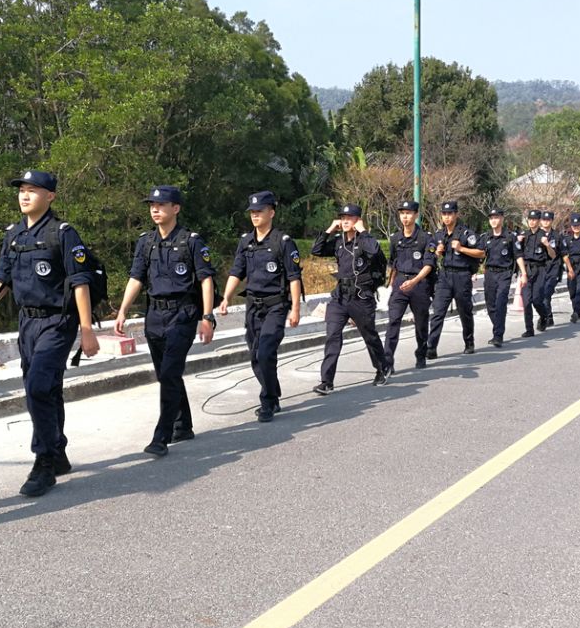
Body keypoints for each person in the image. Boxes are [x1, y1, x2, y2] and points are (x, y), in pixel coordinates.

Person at [0, 169, 99, 496]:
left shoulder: (63, 233)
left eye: (33, 190)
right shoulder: (13, 235)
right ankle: (58, 450)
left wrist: (87, 329)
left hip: (57, 321)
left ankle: (44, 461)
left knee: (37, 386)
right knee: (45, 389)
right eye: (21, 189)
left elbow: (80, 282)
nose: (24, 195)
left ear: (50, 196)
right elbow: (1, 280)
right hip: (27, 323)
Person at [114, 186, 216, 456]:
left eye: (161, 204)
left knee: (170, 373)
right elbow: (136, 278)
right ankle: (184, 426)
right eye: (152, 205)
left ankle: (162, 435)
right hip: (155, 316)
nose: (155, 209)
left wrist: (207, 316)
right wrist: (123, 309)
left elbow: (206, 279)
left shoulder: (191, 241)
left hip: (182, 314)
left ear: (176, 208)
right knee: (165, 375)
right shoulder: (146, 242)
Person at [218, 191, 302, 422]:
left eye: (260, 211)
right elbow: (237, 272)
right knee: (256, 355)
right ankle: (273, 394)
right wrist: (226, 297)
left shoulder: (283, 242)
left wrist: (295, 309)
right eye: (252, 212)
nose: (255, 215)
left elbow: (294, 278)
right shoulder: (246, 242)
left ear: (271, 213)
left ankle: (267, 401)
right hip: (252, 306)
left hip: (276, 305)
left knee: (265, 351)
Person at [310, 204, 388, 395]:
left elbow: (375, 251)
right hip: (340, 297)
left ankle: (382, 367)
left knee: (369, 334)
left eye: (349, 218)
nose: (345, 221)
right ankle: (326, 381)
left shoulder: (364, 241)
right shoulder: (339, 242)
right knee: (332, 335)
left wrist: (363, 230)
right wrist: (329, 229)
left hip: (361, 296)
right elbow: (316, 250)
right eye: (342, 218)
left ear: (357, 220)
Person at [383, 200, 437, 370]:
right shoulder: (395, 238)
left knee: (421, 323)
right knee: (393, 321)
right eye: (402, 213)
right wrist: (390, 284)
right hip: (400, 283)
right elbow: (392, 262)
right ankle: (387, 361)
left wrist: (414, 281)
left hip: (419, 284)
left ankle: (421, 354)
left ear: (415, 215)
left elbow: (429, 264)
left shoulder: (426, 238)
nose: (405, 217)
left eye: (408, 213)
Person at [426, 200, 480, 357]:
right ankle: (431, 347)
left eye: (450, 214)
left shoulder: (466, 234)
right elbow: (431, 253)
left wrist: (461, 248)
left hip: (462, 275)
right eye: (444, 214)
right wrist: (437, 252)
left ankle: (469, 342)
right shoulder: (439, 234)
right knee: (438, 311)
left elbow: (481, 253)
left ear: (456, 214)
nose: (447, 217)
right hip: (444, 276)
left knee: (465, 311)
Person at [476, 208, 524, 347]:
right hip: (490, 273)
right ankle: (497, 327)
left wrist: (524, 273)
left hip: (504, 273)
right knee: (490, 305)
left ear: (502, 219)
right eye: (491, 218)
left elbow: (518, 255)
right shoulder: (485, 237)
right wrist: (474, 271)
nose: (493, 220)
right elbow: (480, 255)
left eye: (496, 217)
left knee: (500, 303)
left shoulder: (510, 236)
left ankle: (498, 335)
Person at [518, 209, 555, 337]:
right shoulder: (524, 235)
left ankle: (544, 316)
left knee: (537, 300)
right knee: (527, 301)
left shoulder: (544, 236)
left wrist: (547, 245)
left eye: (534, 219)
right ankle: (529, 329)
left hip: (540, 270)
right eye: (530, 219)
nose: (532, 221)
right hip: (527, 270)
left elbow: (553, 255)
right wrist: (518, 242)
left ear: (539, 221)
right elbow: (517, 254)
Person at [539, 211, 562, 329]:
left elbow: (562, 254)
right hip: (540, 269)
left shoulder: (557, 236)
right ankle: (548, 315)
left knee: (546, 294)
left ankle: (546, 317)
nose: (545, 222)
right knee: (540, 296)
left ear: (552, 221)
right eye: (543, 220)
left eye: (548, 220)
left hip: (553, 268)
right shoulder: (536, 235)